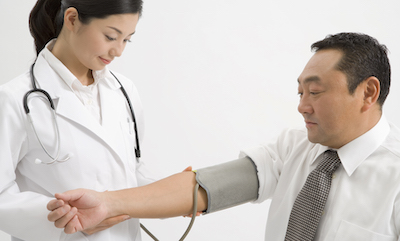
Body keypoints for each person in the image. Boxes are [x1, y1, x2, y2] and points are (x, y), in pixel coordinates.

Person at [48, 32, 400, 240]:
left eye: (316, 92)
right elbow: (205, 187)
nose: (302, 107)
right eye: (300, 93)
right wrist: (110, 203)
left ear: (368, 93)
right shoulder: (296, 148)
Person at [0, 0, 161, 240]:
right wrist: (66, 220)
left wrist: (173, 195)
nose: (118, 51)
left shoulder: (124, 91)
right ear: (72, 19)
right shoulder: (14, 99)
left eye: (127, 39)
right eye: (110, 37)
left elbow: (130, 169)